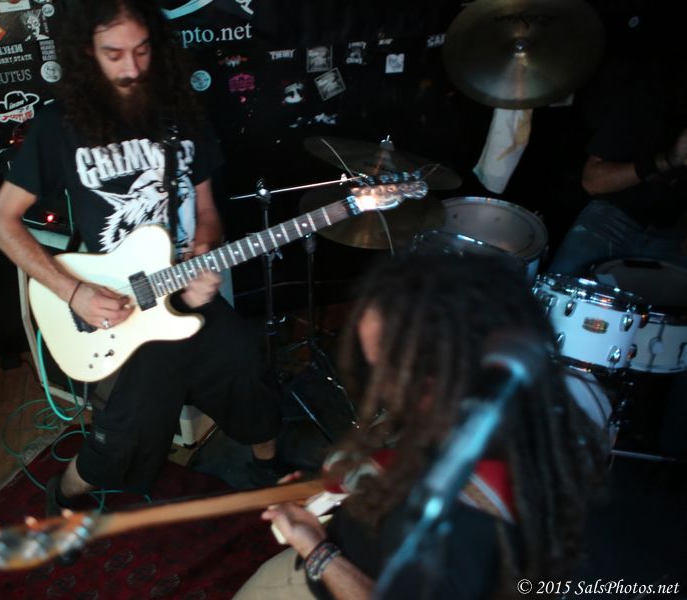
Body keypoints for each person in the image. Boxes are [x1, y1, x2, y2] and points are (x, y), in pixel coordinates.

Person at [0, 0, 283, 518]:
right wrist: (74, 291)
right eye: (115, 54)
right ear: (87, 53)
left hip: (182, 292)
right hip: (116, 310)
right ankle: (64, 493)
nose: (132, 68)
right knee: (126, 432)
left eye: (143, 51)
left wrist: (204, 253)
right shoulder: (59, 126)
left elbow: (207, 212)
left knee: (245, 366)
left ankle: (270, 468)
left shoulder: (181, 113)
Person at [236, 255, 606, 599]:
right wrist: (337, 488)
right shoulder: (527, 414)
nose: (382, 384)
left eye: (386, 367)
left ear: (435, 376)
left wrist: (316, 550)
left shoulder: (457, 519)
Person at [548, 72, 687, 276]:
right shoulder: (652, 95)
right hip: (614, 215)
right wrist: (668, 160)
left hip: (674, 232)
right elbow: (592, 182)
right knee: (563, 283)